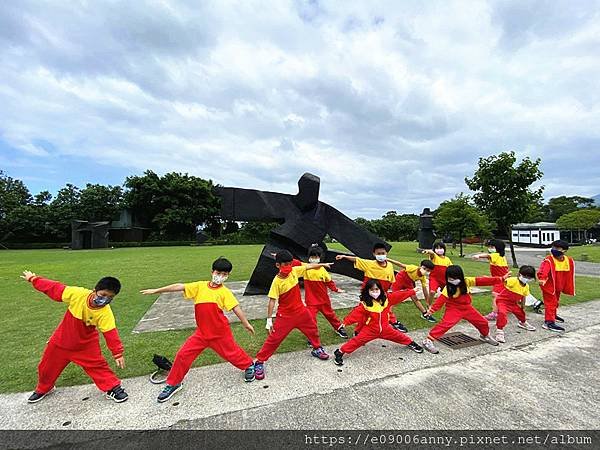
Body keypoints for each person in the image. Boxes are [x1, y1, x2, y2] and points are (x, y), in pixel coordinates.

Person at [140, 257, 256, 402]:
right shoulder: (200, 286)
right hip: (201, 334)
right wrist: (156, 290)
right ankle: (174, 383)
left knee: (232, 353)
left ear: (228, 276)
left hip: (220, 333)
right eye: (218, 272)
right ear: (212, 271)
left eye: (224, 274)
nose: (220, 276)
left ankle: (248, 365)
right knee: (183, 355)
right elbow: (180, 286)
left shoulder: (225, 292)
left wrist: (246, 323)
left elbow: (235, 308)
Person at [21, 270, 128, 403]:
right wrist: (33, 279)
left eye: (110, 298)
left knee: (98, 366)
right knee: (46, 367)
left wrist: (117, 353)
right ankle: (44, 388)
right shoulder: (78, 294)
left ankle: (113, 388)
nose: (105, 299)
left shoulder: (105, 312)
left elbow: (110, 333)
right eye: (103, 295)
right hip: (61, 341)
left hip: (86, 345)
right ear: (94, 290)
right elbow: (54, 288)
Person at [254, 250, 332, 380]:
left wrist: (323, 264)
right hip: (285, 316)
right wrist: (269, 320)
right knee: (274, 339)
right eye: (285, 264)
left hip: (301, 312)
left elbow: (308, 266)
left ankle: (317, 348)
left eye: (290, 264)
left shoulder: (294, 271)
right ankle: (259, 361)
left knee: (313, 329)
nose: (288, 267)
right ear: (277, 265)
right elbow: (272, 301)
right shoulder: (276, 281)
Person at [333, 280, 423, 366]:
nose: (375, 292)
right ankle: (340, 352)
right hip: (370, 330)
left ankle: (411, 343)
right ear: (367, 291)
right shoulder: (365, 304)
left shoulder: (387, 299)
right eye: (372, 290)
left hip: (385, 329)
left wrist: (411, 291)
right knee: (356, 341)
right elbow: (356, 313)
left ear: (380, 289)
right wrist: (345, 323)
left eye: (376, 289)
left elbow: (399, 295)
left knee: (399, 336)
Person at [421, 265, 502, 354]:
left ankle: (485, 336)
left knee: (483, 322)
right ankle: (428, 340)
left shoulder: (467, 281)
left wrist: (501, 279)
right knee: (446, 324)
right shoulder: (447, 288)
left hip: (467, 308)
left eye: (454, 278)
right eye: (450, 278)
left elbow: (482, 281)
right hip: (453, 309)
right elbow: (440, 301)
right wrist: (431, 310)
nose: (452, 280)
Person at [335, 243, 407, 332]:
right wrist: (344, 257)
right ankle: (356, 329)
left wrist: (387, 291)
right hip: (369, 293)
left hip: (381, 293)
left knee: (385, 308)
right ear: (374, 254)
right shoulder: (369, 264)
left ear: (386, 253)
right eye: (378, 253)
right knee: (365, 310)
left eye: (383, 253)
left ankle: (393, 322)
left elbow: (390, 280)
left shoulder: (390, 266)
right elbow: (357, 260)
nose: (381, 255)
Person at [303, 244, 348, 339]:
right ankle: (312, 336)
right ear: (309, 257)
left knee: (330, 315)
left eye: (316, 257)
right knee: (310, 318)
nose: (314, 258)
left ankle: (338, 328)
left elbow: (329, 282)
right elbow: (294, 264)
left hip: (323, 300)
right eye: (312, 256)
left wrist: (336, 289)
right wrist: (280, 257)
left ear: (320, 258)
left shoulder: (323, 271)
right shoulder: (305, 268)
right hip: (311, 301)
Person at [538, 240, 575, 332]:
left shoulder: (568, 260)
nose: (554, 249)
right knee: (551, 303)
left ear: (564, 251)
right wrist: (542, 278)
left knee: (556, 301)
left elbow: (568, 274)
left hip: (558, 286)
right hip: (549, 286)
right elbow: (543, 270)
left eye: (557, 248)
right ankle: (549, 322)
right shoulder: (549, 260)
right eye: (553, 247)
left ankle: (553, 315)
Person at [494, 265, 537, 343]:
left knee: (520, 313)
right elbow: (503, 282)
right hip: (502, 301)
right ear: (519, 274)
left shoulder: (526, 286)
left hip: (513, 303)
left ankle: (523, 323)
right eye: (525, 276)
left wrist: (523, 307)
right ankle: (499, 331)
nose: (526, 278)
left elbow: (523, 297)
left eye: (529, 277)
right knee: (502, 313)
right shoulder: (513, 280)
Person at [472, 239, 510, 321]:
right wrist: (490, 278)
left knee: (495, 294)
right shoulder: (500, 256)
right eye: (489, 247)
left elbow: (487, 255)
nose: (490, 248)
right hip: (500, 279)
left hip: (501, 280)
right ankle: (501, 310)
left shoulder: (496, 255)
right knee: (500, 295)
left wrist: (478, 256)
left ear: (498, 248)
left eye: (492, 247)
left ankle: (495, 313)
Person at [421, 241, 453, 306]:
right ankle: (429, 305)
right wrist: (427, 251)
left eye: (441, 248)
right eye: (437, 248)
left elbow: (451, 268)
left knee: (450, 292)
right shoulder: (434, 256)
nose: (439, 249)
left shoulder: (447, 259)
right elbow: (431, 253)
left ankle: (451, 304)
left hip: (444, 279)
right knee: (432, 292)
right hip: (434, 278)